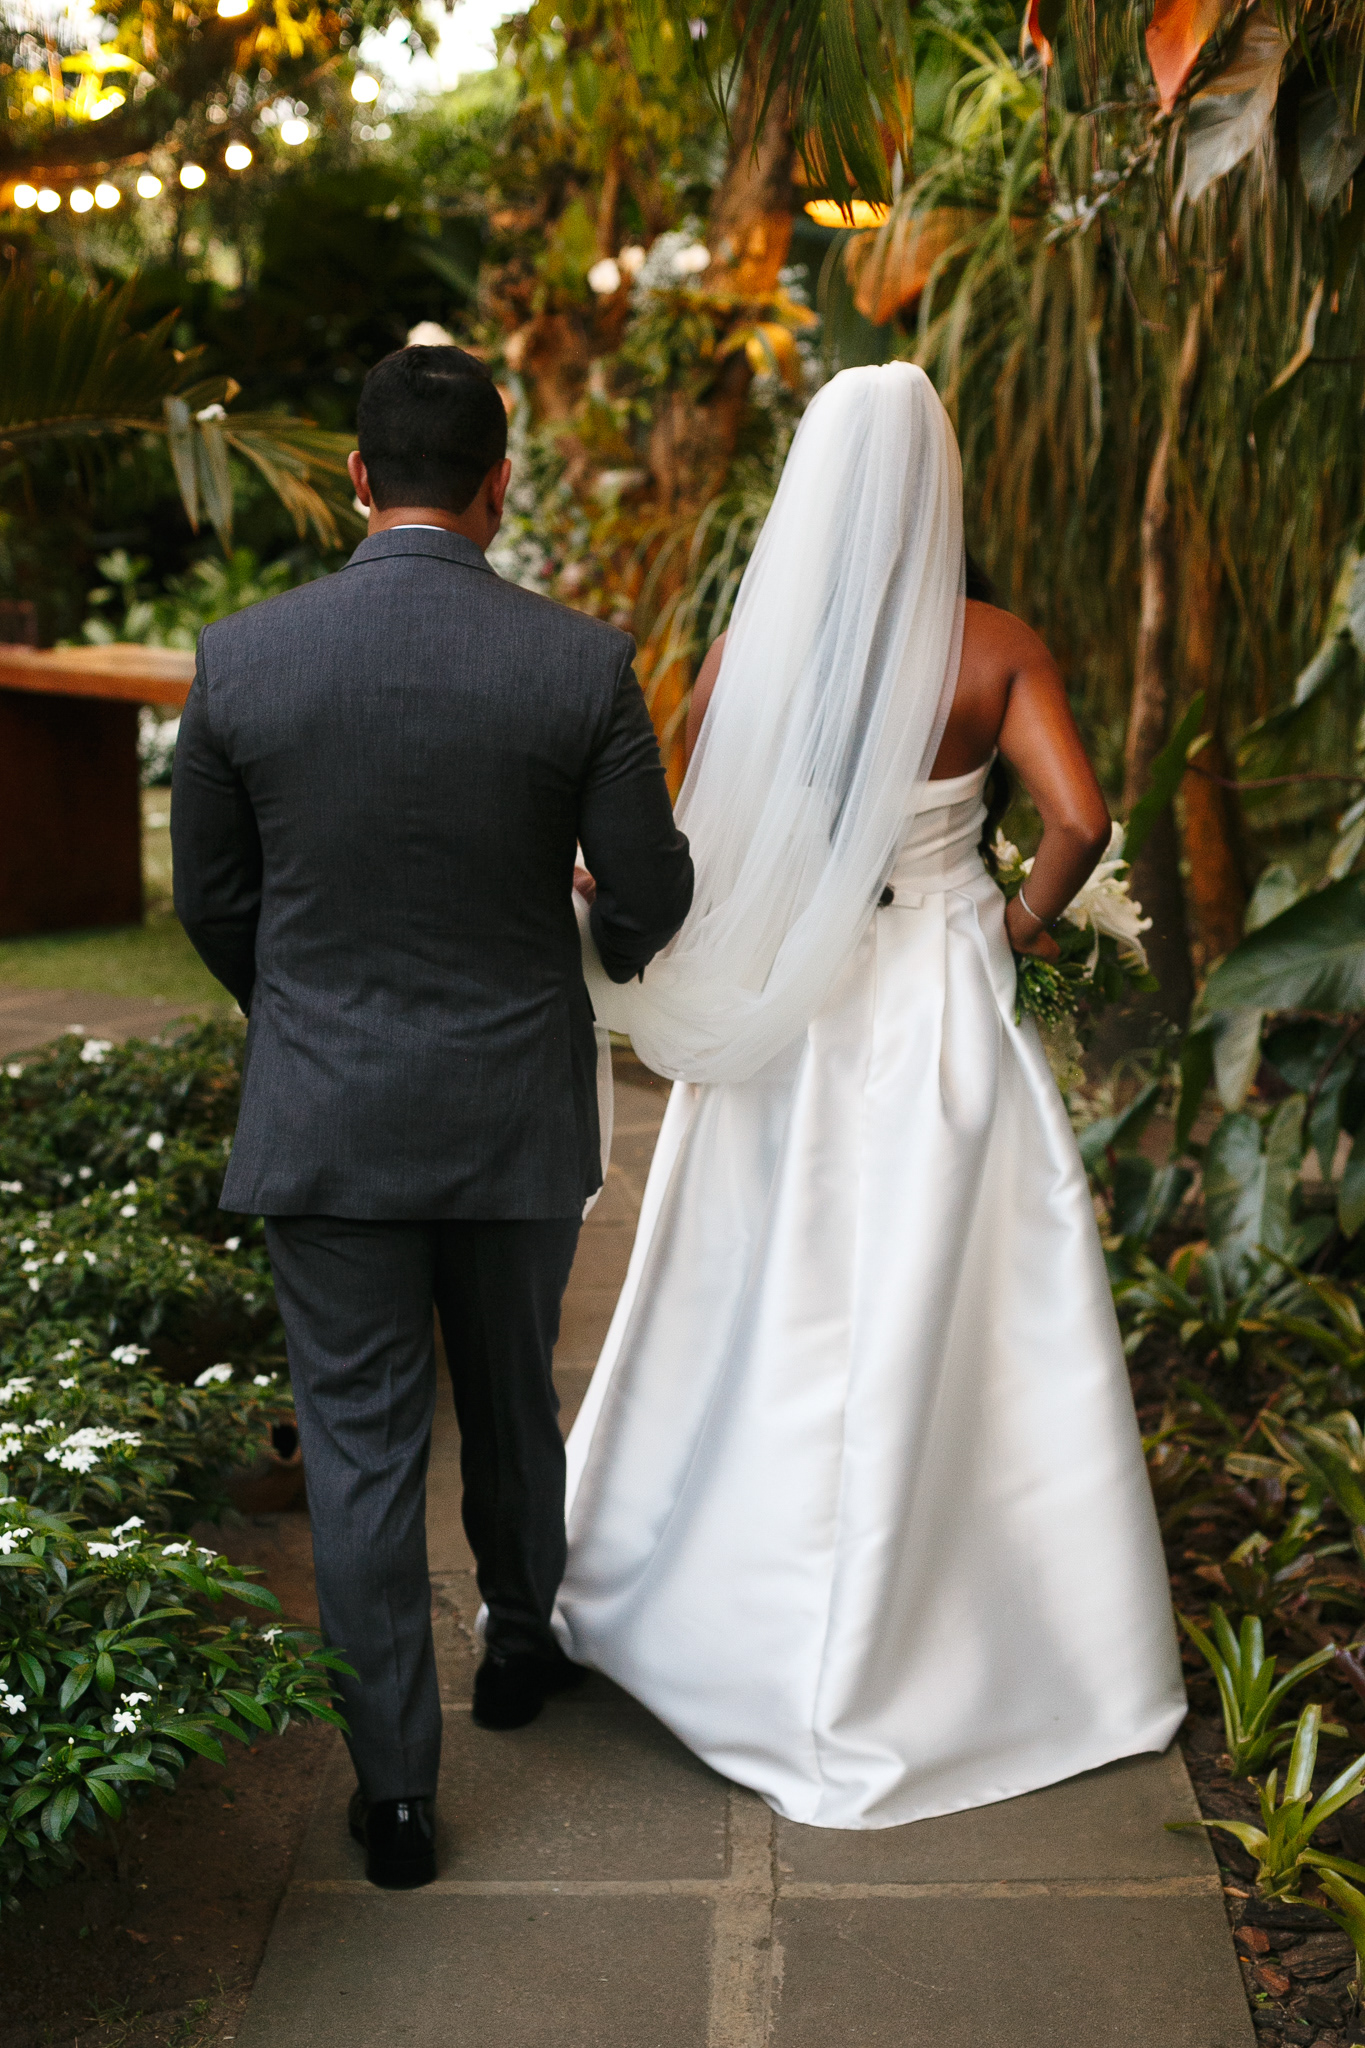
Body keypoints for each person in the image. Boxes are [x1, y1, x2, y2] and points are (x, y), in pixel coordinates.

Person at [555, 362, 1185, 1829]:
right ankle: (989, 1628)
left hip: (796, 1002)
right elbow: (1080, 819)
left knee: (754, 1286)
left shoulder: (743, 654)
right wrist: (1012, 924)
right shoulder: (995, 648)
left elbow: (691, 851)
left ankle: (704, 1603)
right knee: (964, 1301)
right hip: (936, 1003)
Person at [171, 345, 693, 1888]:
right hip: (511, 1110)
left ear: (354, 478)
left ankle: (396, 1796)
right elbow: (649, 889)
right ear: (499, 486)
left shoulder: (243, 659)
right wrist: (603, 940)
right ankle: (521, 1649)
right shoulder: (577, 664)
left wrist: (302, 1017)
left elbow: (211, 899)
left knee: (357, 1447)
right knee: (514, 1396)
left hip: (326, 1117)